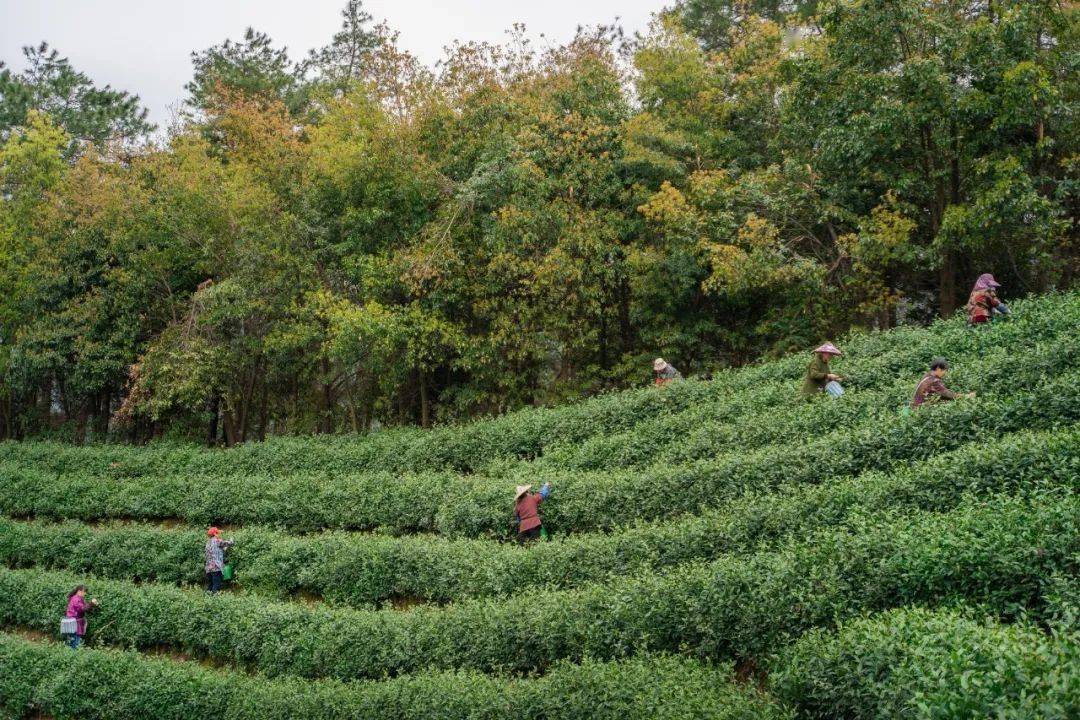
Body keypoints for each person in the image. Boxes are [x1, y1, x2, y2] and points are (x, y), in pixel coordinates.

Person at [62, 585, 98, 649]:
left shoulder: (75, 598)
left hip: (71, 622)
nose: (85, 594)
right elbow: (83, 609)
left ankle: (69, 656)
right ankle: (73, 657)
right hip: (74, 623)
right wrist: (92, 603)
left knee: (71, 641)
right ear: (79, 591)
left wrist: (92, 606)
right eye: (84, 592)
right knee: (75, 643)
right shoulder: (76, 599)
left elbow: (85, 608)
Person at [205, 526, 235, 593]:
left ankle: (206, 599)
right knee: (216, 586)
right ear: (215, 534)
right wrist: (232, 539)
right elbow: (230, 543)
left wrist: (225, 548)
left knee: (210, 585)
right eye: (218, 533)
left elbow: (219, 550)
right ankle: (214, 601)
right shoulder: (217, 540)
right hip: (216, 567)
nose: (219, 534)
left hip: (208, 569)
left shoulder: (208, 543)